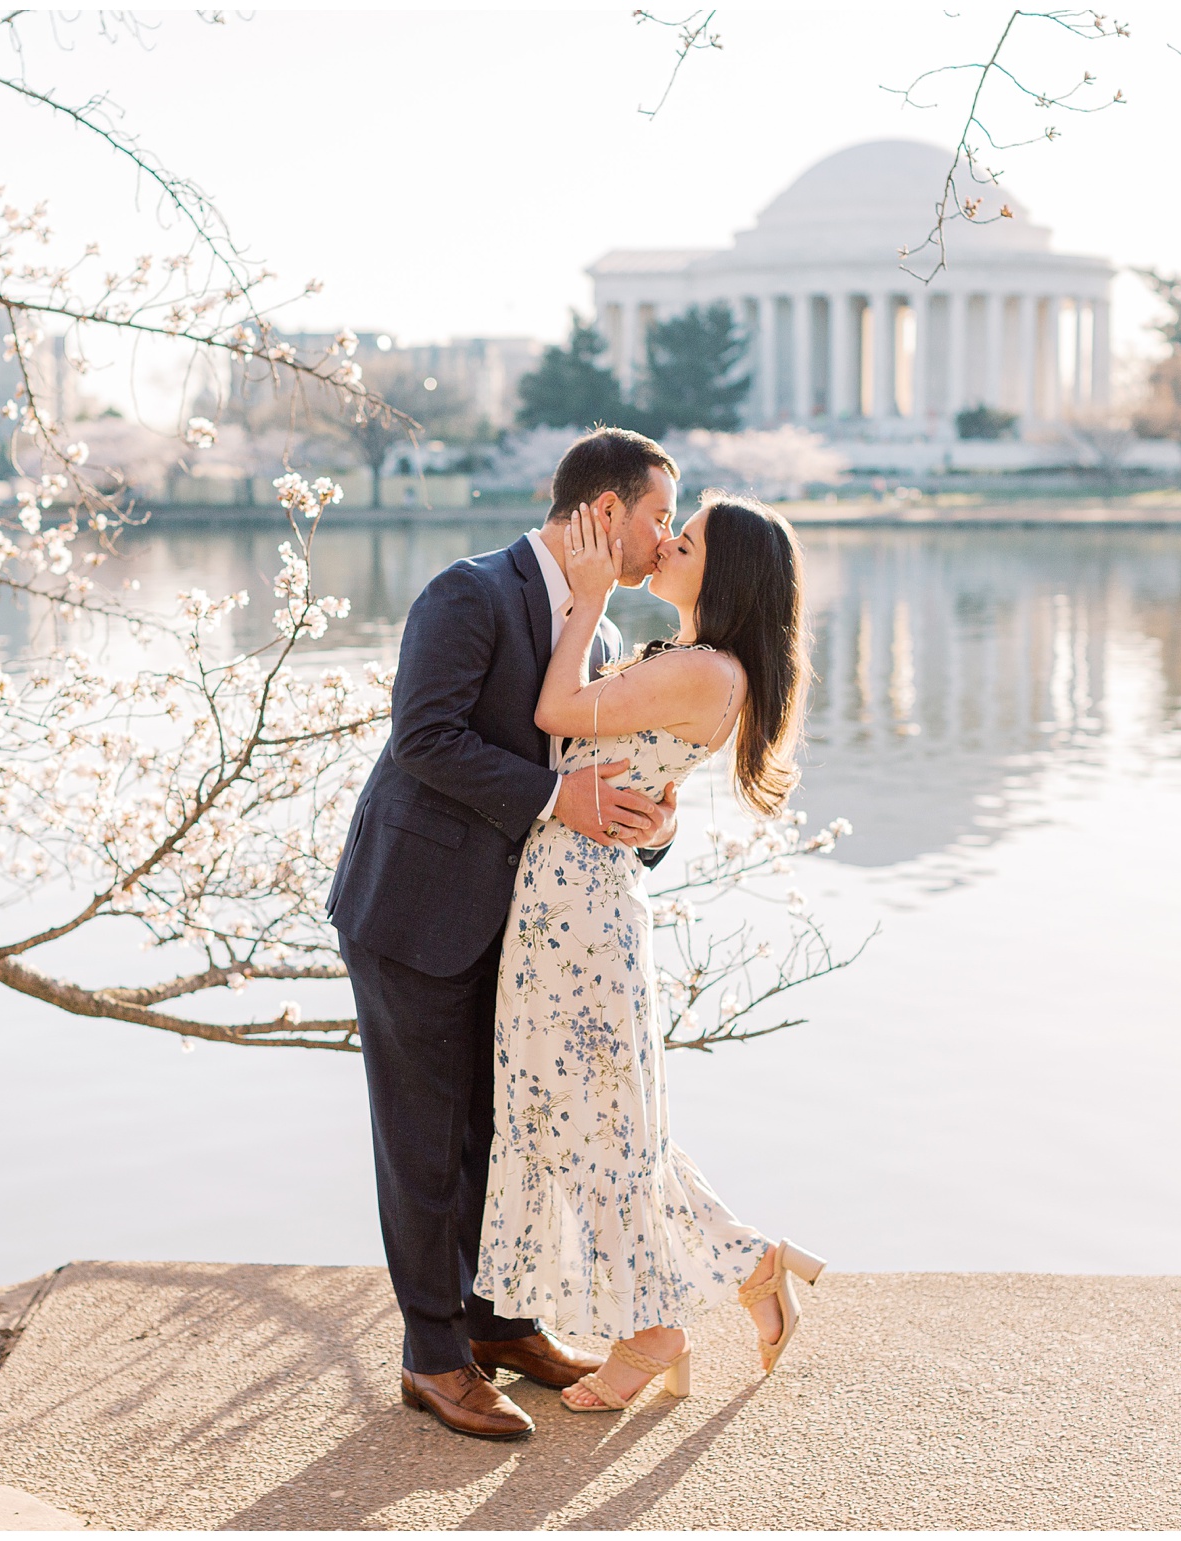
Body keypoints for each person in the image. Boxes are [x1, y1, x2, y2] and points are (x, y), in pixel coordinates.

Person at [326, 428, 686, 1440]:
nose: (666, 540)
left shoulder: (601, 639)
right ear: (605, 511)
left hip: (528, 939)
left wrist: (650, 825)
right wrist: (553, 796)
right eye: (659, 515)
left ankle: (499, 1321)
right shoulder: (467, 591)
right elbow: (424, 736)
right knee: (424, 1139)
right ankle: (432, 1356)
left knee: (507, 1129)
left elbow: (600, 781)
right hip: (415, 911)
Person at [475, 488, 828, 1414]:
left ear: (731, 570)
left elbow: (557, 710)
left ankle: (651, 1329)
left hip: (581, 907)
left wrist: (588, 591)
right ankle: (748, 1266)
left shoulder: (709, 669)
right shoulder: (693, 662)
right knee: (597, 1118)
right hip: (568, 894)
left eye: (692, 536)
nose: (669, 540)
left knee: (599, 1125)